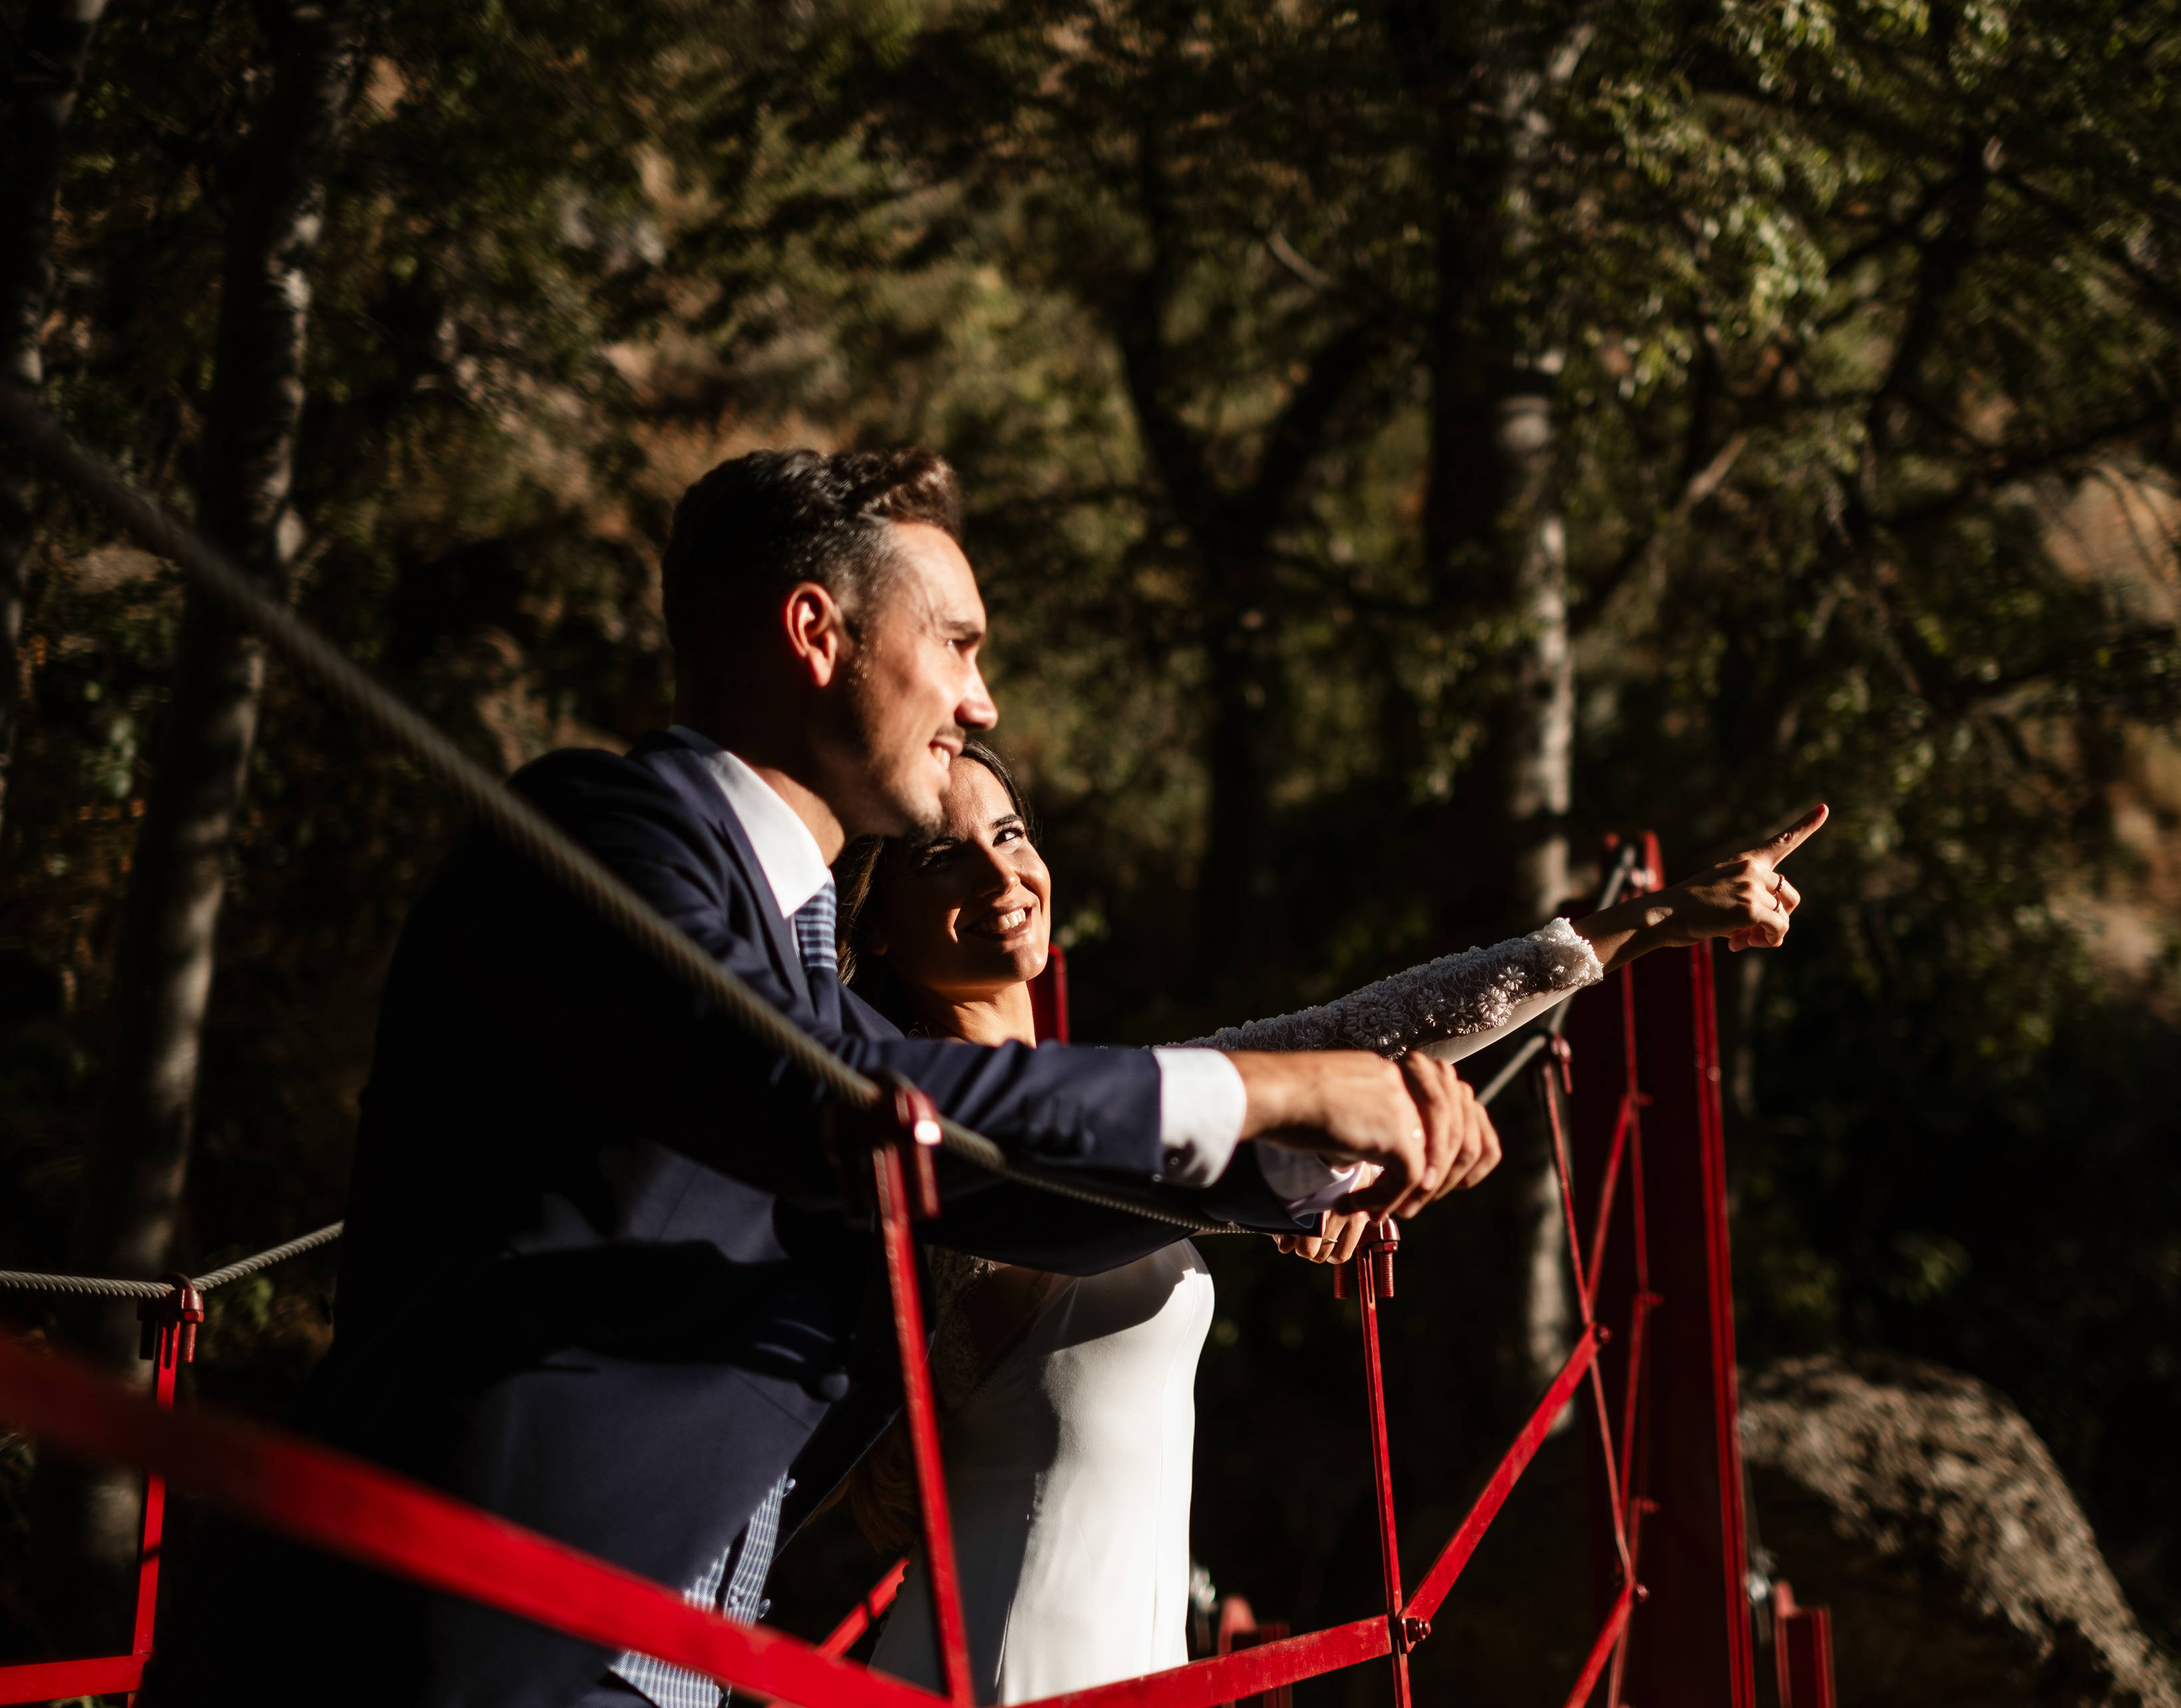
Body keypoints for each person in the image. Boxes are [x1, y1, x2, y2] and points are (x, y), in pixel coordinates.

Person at [142, 448, 1497, 1708]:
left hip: (664, 1664)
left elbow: (1007, 1189)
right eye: (956, 643)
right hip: (444, 1645)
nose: (982, 701)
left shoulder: (797, 977)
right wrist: (1265, 1091)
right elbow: (840, 1101)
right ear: (815, 632)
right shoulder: (605, 840)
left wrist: (1304, 1164)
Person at [825, 743, 1823, 1700]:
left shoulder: (1109, 1109)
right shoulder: (926, 1136)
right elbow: (1088, 1203)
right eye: (944, 856)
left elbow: (1358, 1035)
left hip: (1131, 1660)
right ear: (875, 926)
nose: (1001, 873)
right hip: (1004, 1665)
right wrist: (1290, 1173)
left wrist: (1650, 921)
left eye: (1010, 834)